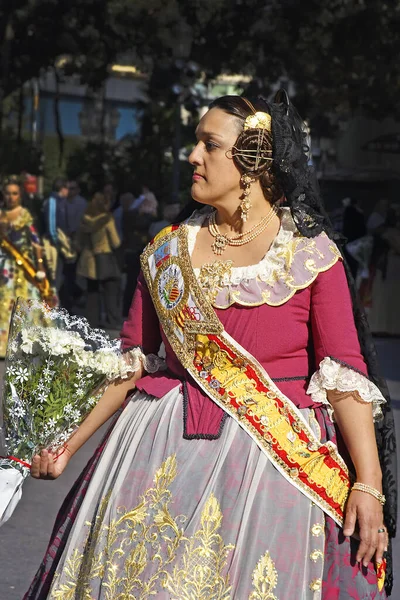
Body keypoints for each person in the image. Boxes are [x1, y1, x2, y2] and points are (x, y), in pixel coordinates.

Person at [25, 94, 396, 599]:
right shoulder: (165, 252)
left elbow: (343, 376)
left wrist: (368, 485)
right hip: (157, 455)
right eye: (195, 142)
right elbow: (132, 364)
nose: (193, 155)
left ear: (253, 163)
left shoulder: (310, 255)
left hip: (271, 473)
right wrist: (67, 445)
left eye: (209, 145)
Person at [0, 178, 56, 357]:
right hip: (4, 268)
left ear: (20, 195)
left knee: (25, 304)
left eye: (15, 193)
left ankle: (26, 343)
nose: (11, 197)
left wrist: (40, 267)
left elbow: (36, 243)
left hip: (24, 268)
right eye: (8, 193)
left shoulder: (25, 215)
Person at [76, 192, 121, 329]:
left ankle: (91, 321)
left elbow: (79, 241)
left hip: (88, 259)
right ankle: (112, 320)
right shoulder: (107, 219)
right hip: (105, 257)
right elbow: (115, 242)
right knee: (111, 290)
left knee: (92, 291)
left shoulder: (85, 219)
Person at [42, 177, 69, 290]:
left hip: (59, 242)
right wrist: (57, 242)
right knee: (54, 273)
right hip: (54, 244)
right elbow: (51, 224)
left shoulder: (60, 201)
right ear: (62, 189)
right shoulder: (52, 201)